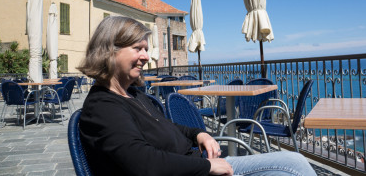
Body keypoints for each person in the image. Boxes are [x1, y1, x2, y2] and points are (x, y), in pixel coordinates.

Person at [78, 16, 317, 176]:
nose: (146, 57)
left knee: (294, 162)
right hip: (197, 170)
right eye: (137, 49)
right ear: (110, 51)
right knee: (293, 167)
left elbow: (167, 126)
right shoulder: (102, 107)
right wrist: (206, 165)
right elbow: (143, 162)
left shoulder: (132, 95)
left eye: (146, 49)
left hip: (196, 166)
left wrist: (199, 133)